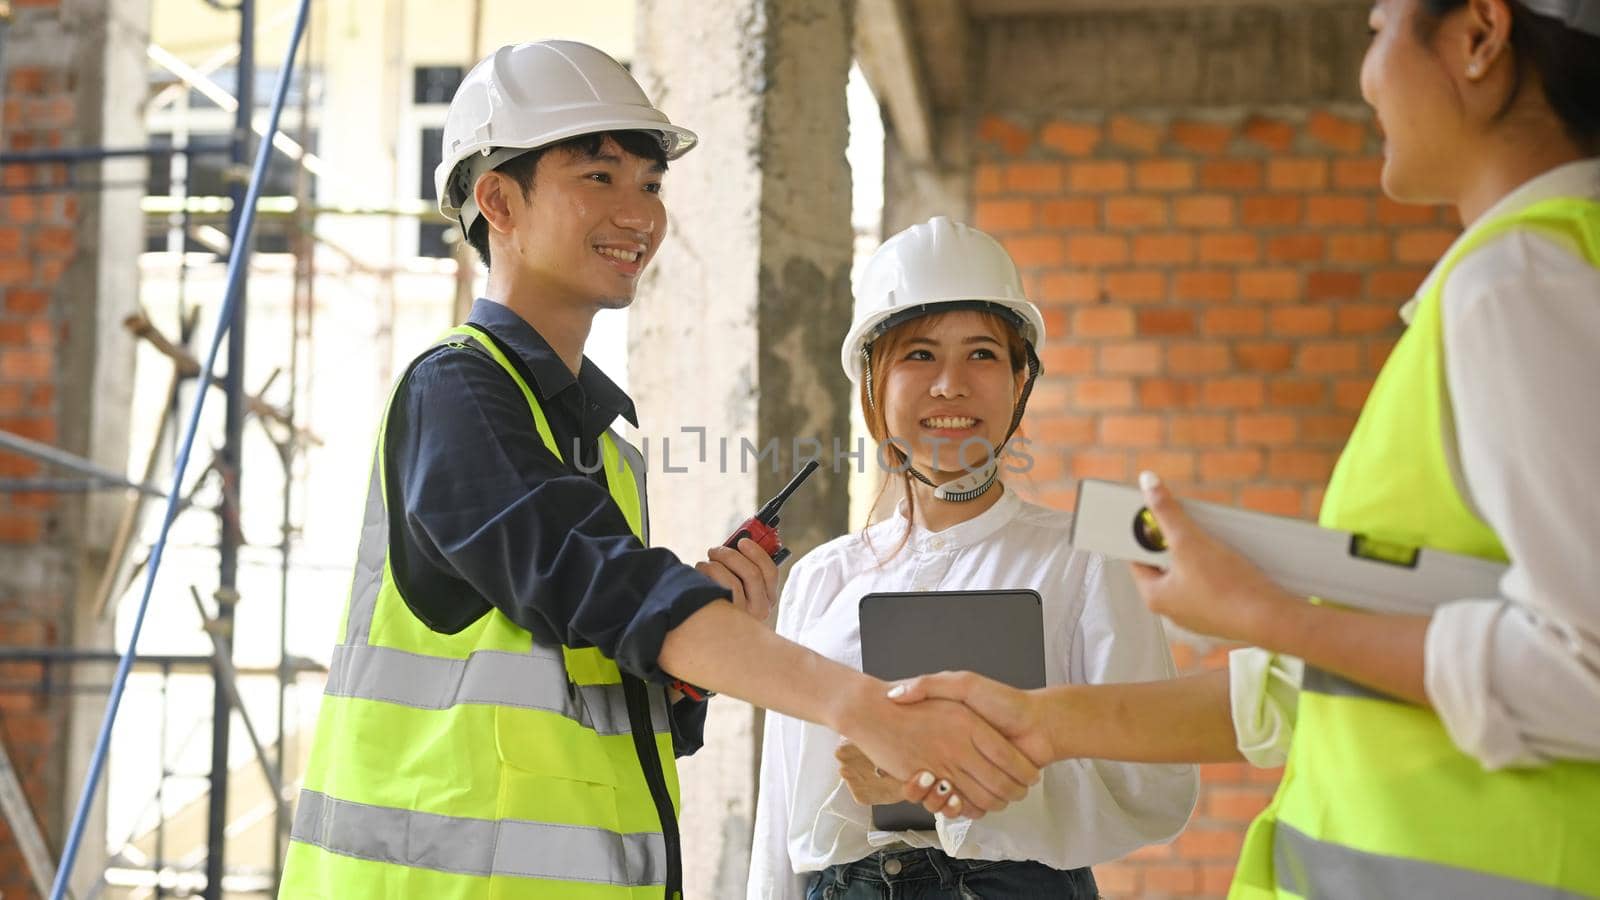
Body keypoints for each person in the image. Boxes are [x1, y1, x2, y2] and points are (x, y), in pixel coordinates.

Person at [278, 42, 1042, 900]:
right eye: (598, 178)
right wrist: (862, 709)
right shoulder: (458, 389)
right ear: (498, 199)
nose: (639, 213)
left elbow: (596, 714)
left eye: (650, 183)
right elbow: (609, 589)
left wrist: (682, 672)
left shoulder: (602, 445)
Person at [882, 1, 1600, 897]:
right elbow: (1303, 689)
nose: (1366, 72)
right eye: (918, 356)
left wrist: (1267, 613)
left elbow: (1586, 667)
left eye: (1379, 27)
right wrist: (1043, 722)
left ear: (1479, 36)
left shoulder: (1521, 283)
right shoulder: (1534, 277)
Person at [746, 217, 1198, 900]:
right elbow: (782, 817)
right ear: (872, 384)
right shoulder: (820, 578)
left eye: (983, 355)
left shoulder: (1084, 558)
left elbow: (1151, 787)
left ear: (1022, 382)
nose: (951, 385)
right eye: (919, 355)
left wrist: (948, 795)